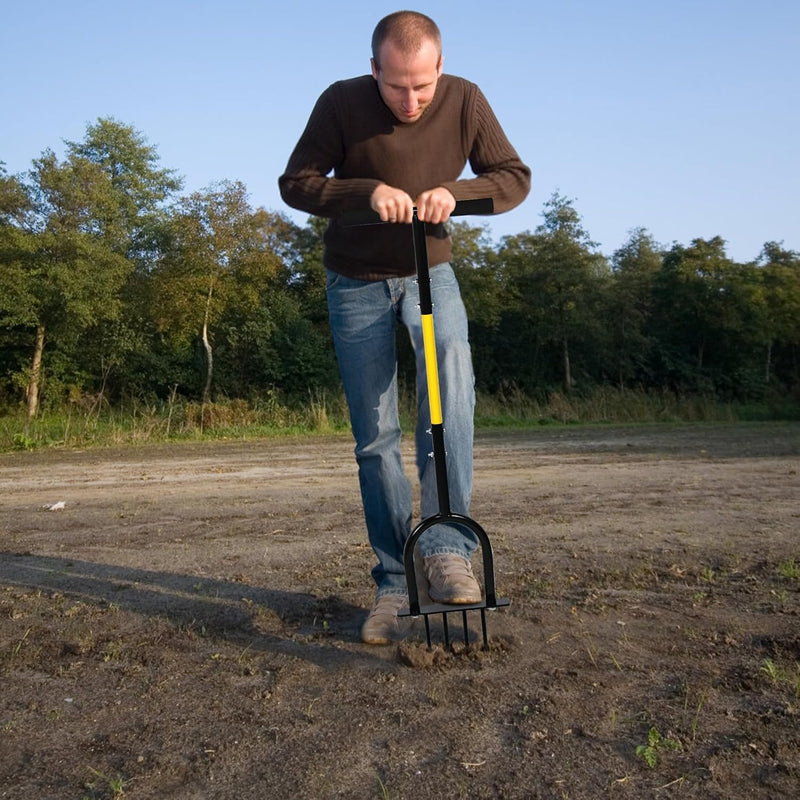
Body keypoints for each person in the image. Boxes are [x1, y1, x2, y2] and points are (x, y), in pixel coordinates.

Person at [279, 10, 530, 644]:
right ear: (374, 70)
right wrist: (363, 192)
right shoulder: (340, 103)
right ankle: (394, 582)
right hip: (354, 282)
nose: (411, 100)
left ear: (439, 68)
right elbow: (297, 183)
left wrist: (457, 192)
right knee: (376, 433)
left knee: (449, 398)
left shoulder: (466, 100)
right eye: (395, 86)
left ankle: (447, 553)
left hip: (429, 272)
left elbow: (513, 178)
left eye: (421, 86)